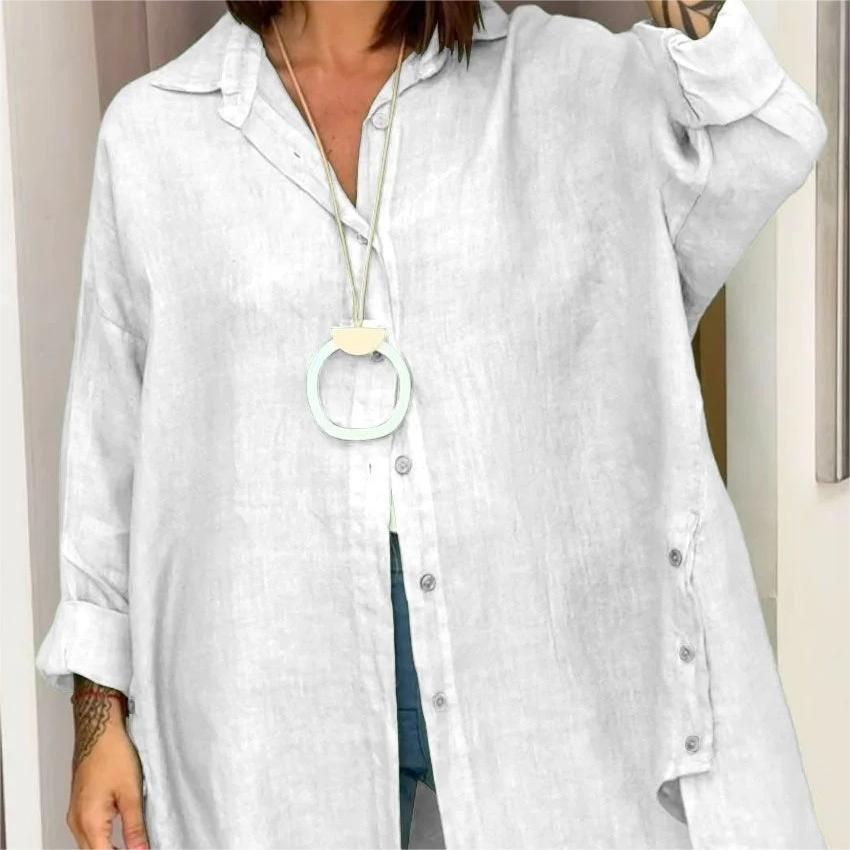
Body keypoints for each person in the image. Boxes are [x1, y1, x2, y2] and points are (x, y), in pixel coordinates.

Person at [35, 0, 828, 848]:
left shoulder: (563, 84)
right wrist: (97, 717)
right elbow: (109, 454)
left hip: (543, 689)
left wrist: (699, 14)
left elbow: (758, 145)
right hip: (266, 703)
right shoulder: (157, 134)